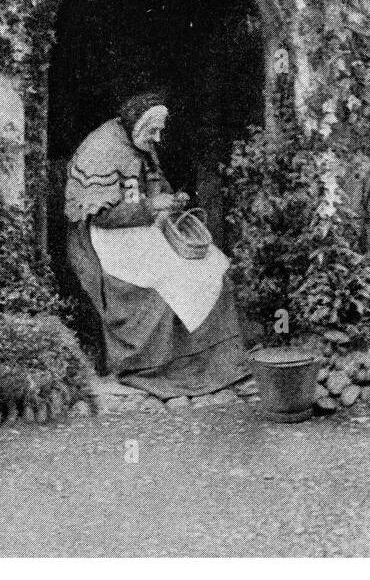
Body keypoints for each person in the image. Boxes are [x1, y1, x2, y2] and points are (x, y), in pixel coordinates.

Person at [64, 91, 250, 397]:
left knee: (213, 264)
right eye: (155, 130)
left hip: (142, 228)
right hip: (107, 239)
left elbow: (154, 183)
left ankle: (216, 361)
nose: (158, 137)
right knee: (170, 277)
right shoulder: (102, 149)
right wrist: (152, 206)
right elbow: (102, 217)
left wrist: (171, 200)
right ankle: (165, 366)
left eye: (160, 130)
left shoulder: (141, 140)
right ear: (138, 123)